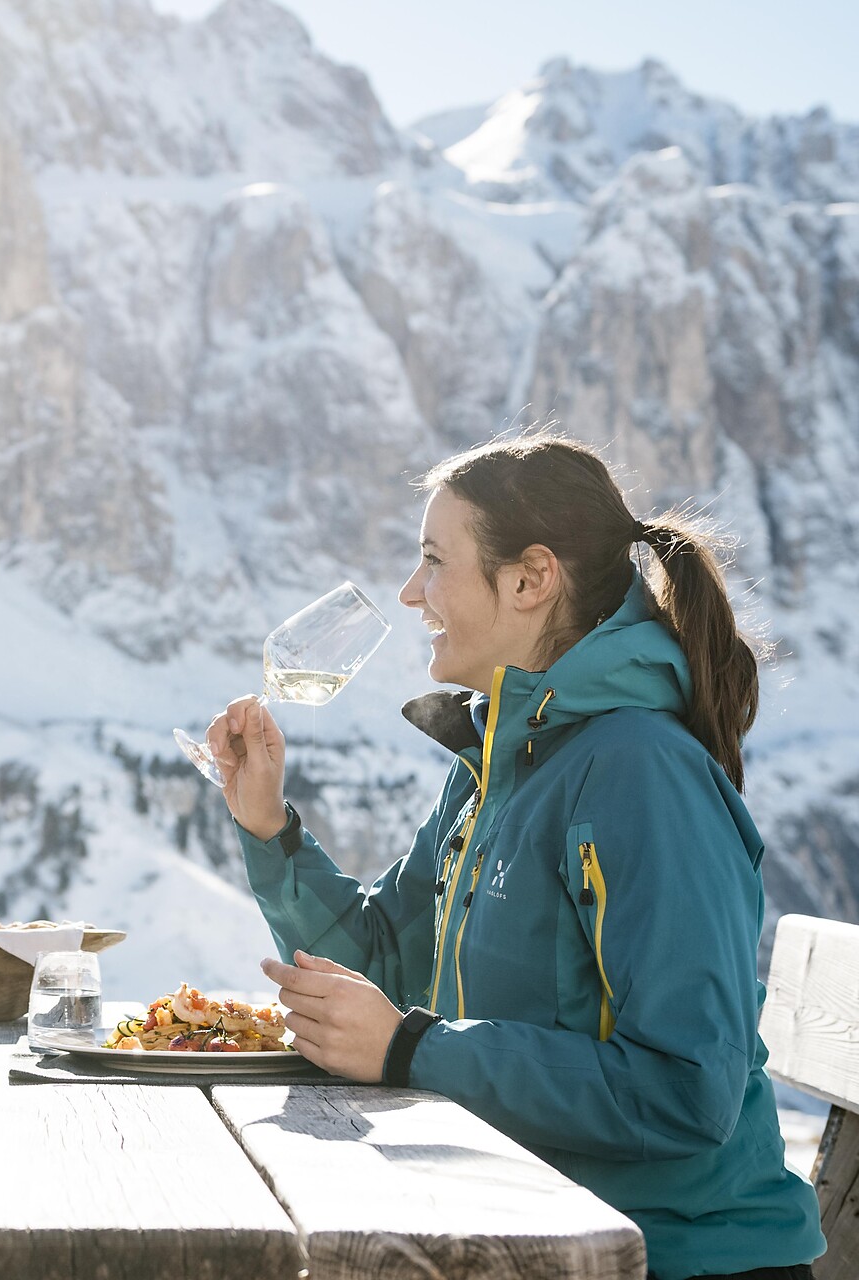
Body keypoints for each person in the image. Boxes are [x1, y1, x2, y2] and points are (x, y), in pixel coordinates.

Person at [208, 435, 824, 1280]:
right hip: (531, 1232)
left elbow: (689, 1090)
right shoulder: (499, 766)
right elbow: (384, 964)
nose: (409, 592)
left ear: (531, 581)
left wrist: (415, 1051)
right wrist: (270, 827)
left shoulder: (640, 772)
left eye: (433, 561)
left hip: (671, 1257)